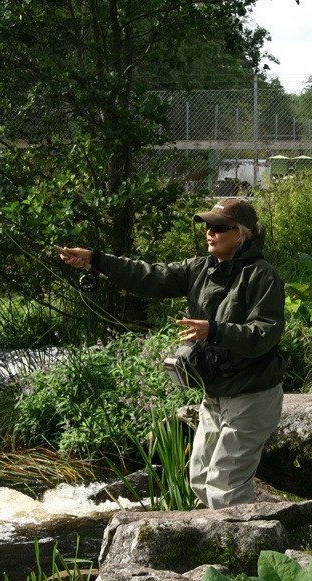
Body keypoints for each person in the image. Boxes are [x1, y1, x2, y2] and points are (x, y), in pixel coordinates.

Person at [59, 197, 286, 509]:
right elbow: (147, 276)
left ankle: (241, 552)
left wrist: (215, 330)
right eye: (208, 226)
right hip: (215, 395)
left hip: (252, 395)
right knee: (199, 476)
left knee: (225, 483)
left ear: (242, 234)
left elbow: (265, 334)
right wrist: (95, 259)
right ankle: (223, 546)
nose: (210, 232)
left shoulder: (262, 276)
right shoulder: (197, 268)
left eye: (220, 228)